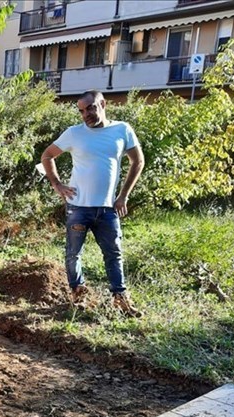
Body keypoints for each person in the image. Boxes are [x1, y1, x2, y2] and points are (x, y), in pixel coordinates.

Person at [40, 90, 145, 317]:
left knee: (113, 254)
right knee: (73, 254)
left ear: (103, 104)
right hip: (78, 207)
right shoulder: (74, 133)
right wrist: (57, 185)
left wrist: (123, 195)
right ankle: (78, 295)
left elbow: (138, 161)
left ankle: (120, 299)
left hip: (108, 208)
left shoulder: (122, 130)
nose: (85, 114)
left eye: (90, 108)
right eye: (81, 110)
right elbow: (47, 156)